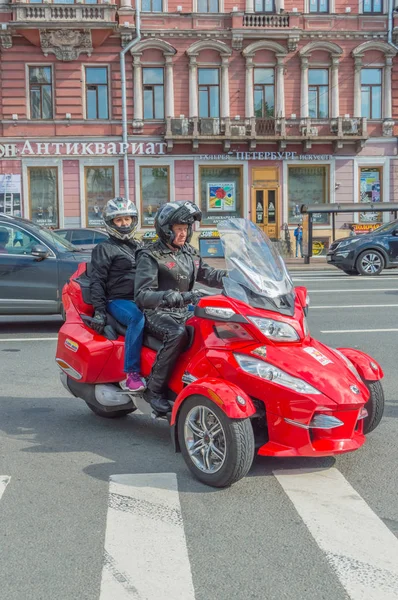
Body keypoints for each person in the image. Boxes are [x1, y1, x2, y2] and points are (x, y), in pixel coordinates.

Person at [134, 201, 227, 414]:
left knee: (217, 326)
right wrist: (178, 297)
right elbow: (142, 296)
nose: (183, 233)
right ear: (166, 229)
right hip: (157, 312)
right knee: (177, 334)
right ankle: (154, 390)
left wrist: (237, 278)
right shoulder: (150, 255)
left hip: (183, 310)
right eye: (178, 229)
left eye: (185, 229)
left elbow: (209, 275)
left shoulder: (189, 253)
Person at [89, 197, 145, 392]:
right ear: (111, 223)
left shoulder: (139, 246)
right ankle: (132, 373)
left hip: (143, 297)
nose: (124, 224)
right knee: (136, 319)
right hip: (119, 300)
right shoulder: (104, 248)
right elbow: (97, 281)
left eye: (127, 219)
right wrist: (99, 311)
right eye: (119, 220)